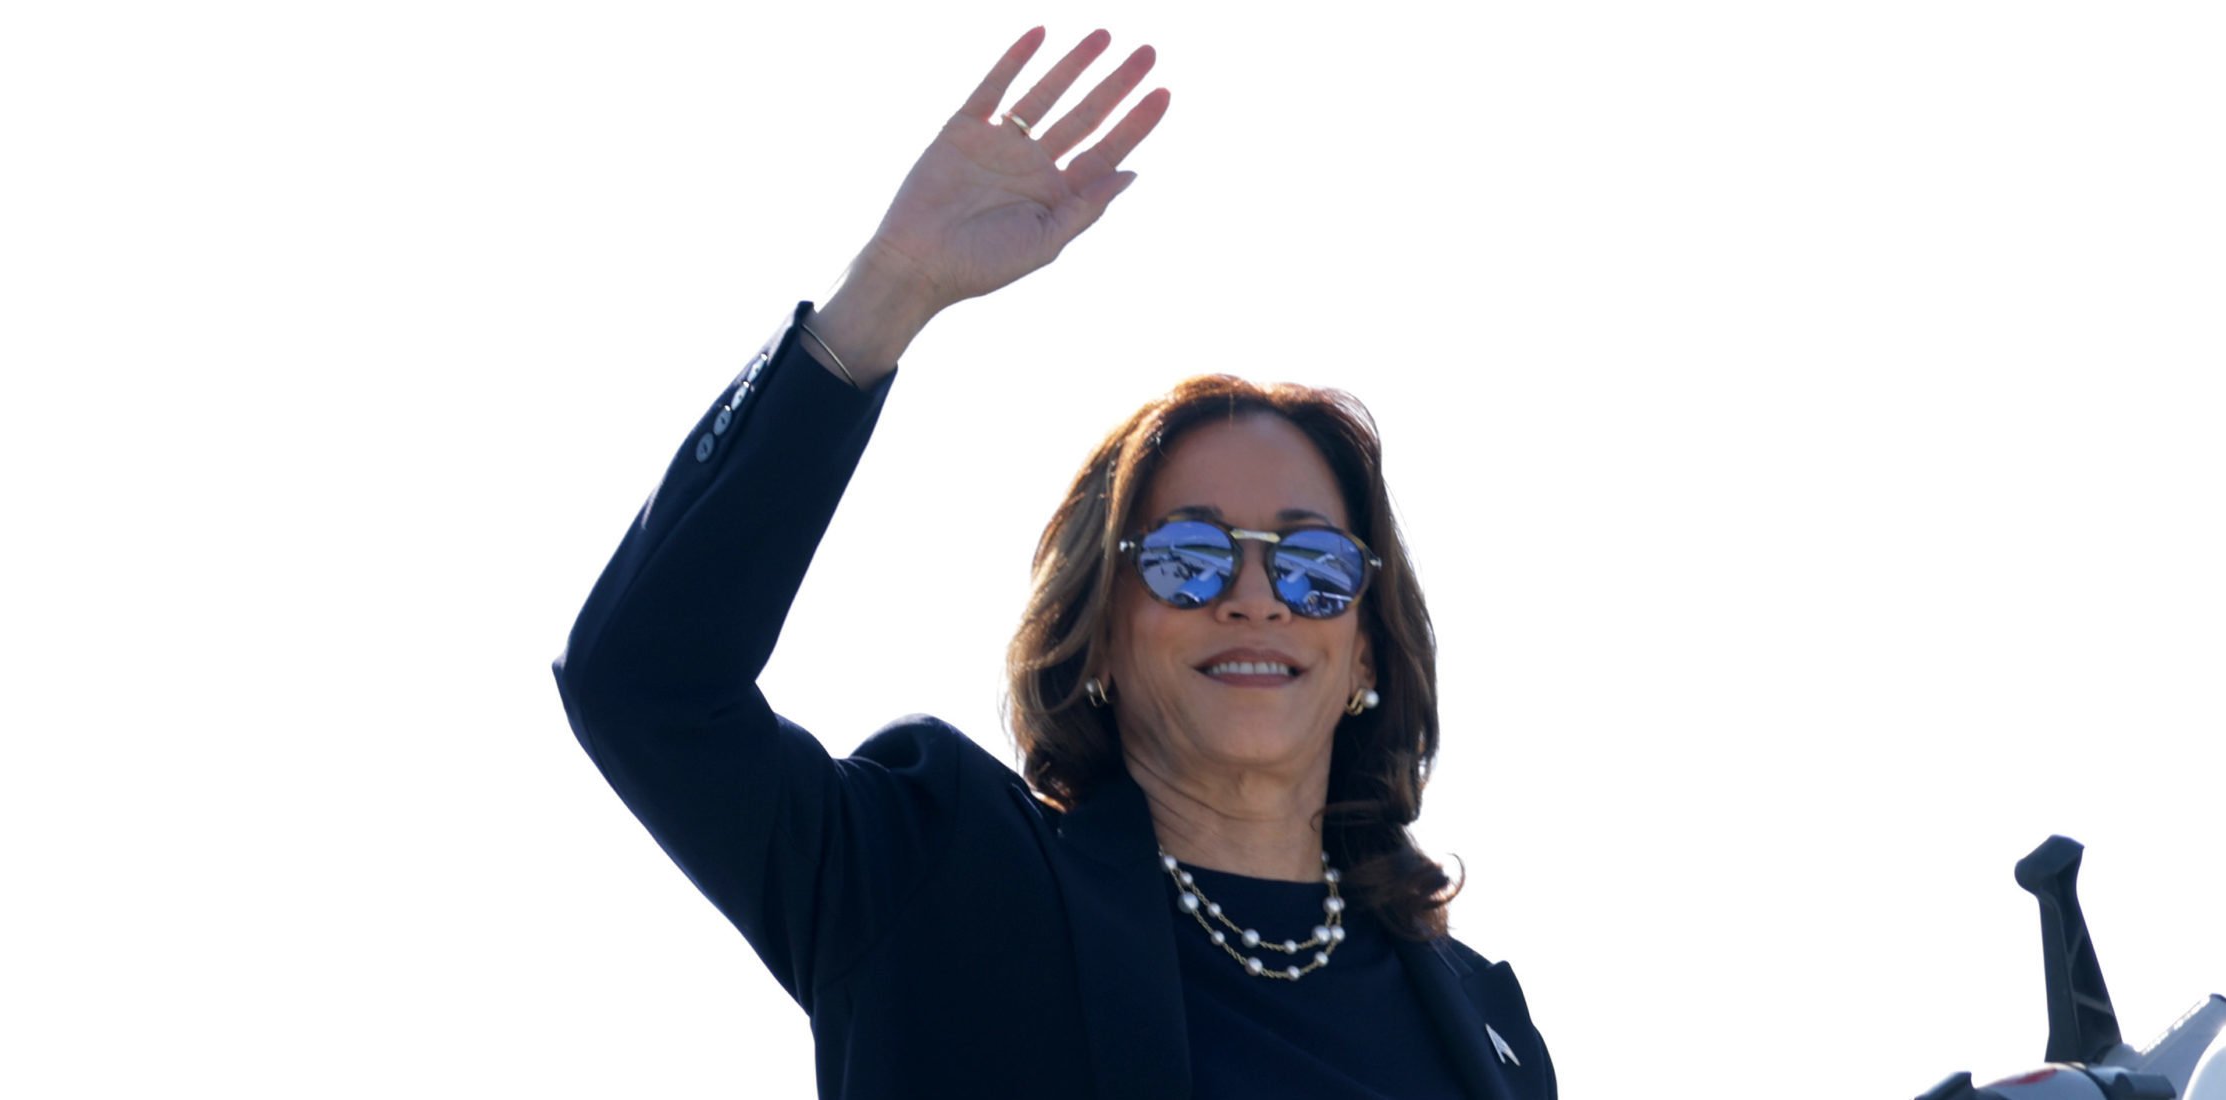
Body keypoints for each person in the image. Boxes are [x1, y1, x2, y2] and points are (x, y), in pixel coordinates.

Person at [553, 27, 1555, 1100]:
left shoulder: (1480, 1018)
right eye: (1187, 557)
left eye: (1311, 564)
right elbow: (644, 682)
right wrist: (885, 294)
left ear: (1365, 642)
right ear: (1100, 633)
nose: (1254, 595)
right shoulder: (933, 872)